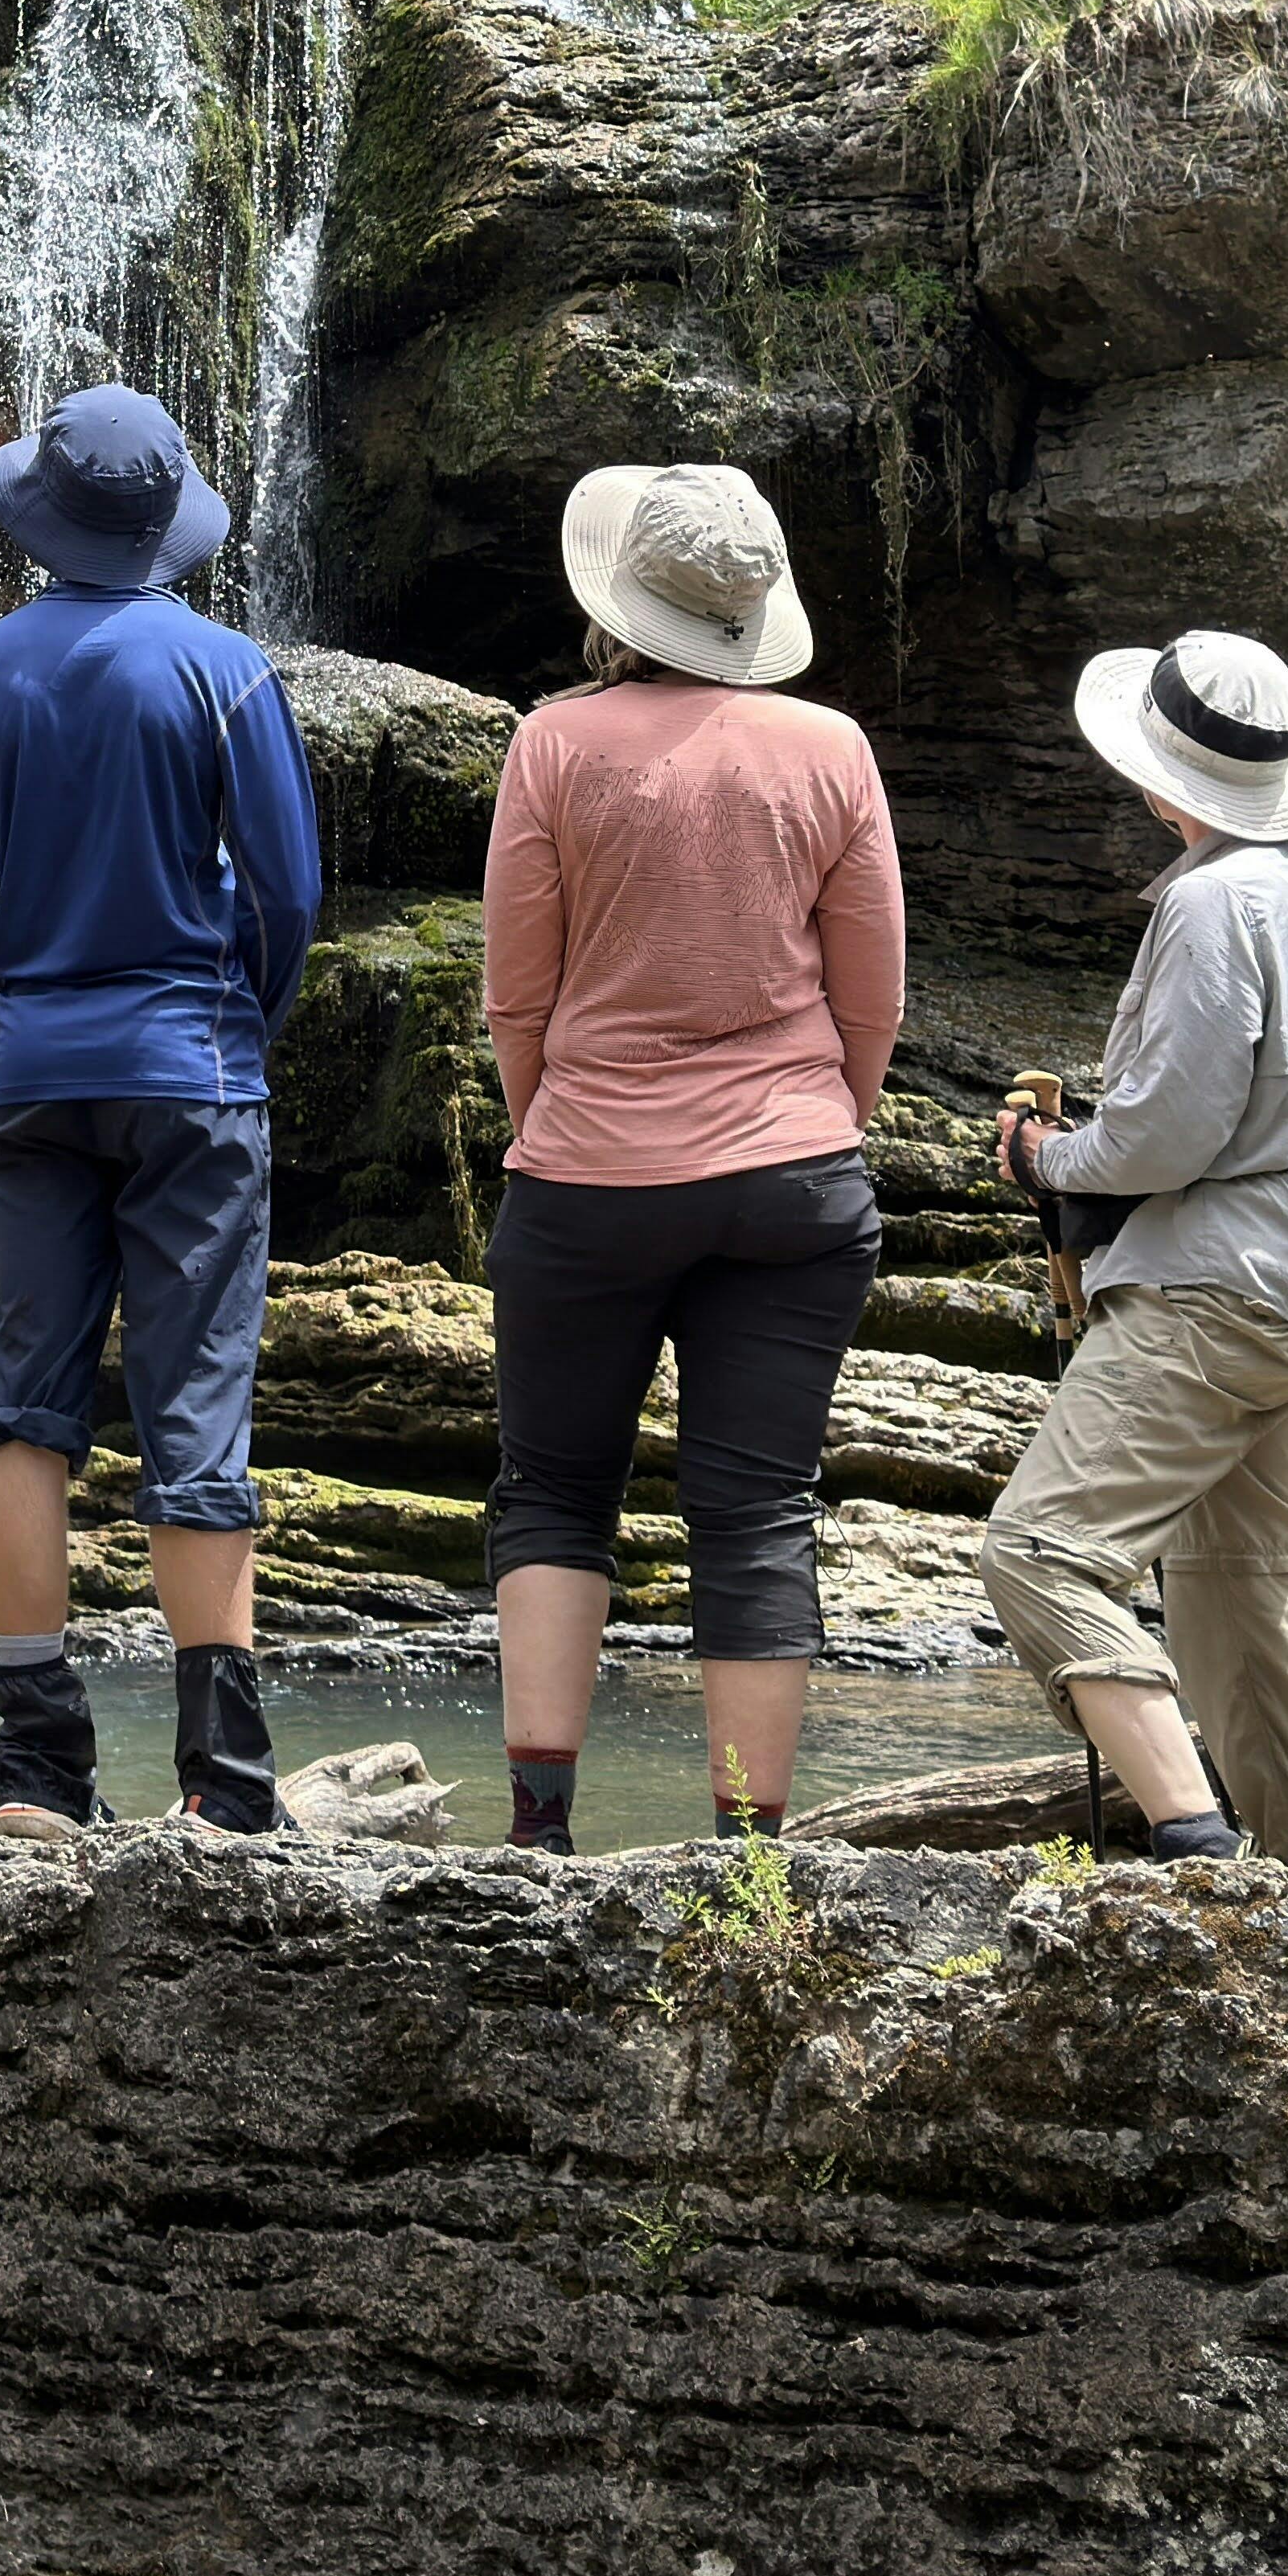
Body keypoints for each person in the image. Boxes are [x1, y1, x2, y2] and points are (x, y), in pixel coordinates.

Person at [0, 381, 326, 1837]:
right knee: (195, 1407)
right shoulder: (226, 672)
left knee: (25, 1405)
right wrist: (234, 1014)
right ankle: (222, 1785)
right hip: (194, 1072)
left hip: (38, 1070)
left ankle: (35, 1773)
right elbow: (286, 892)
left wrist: (25, 992)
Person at [477, 465, 907, 1849]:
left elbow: (517, 993)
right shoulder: (833, 749)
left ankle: (541, 1836)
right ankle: (750, 1858)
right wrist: (821, 1120)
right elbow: (873, 998)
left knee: (552, 1489)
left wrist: (551, 1119)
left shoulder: (552, 743)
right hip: (792, 1179)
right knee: (760, 1509)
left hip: (588, 1170)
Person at [976, 628, 1288, 1866]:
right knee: (1246, 1595)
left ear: (1167, 782)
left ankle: (1194, 1842)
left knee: (1041, 1552)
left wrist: (1048, 1161)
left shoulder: (1212, 904)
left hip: (1208, 1293)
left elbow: (1166, 1133)